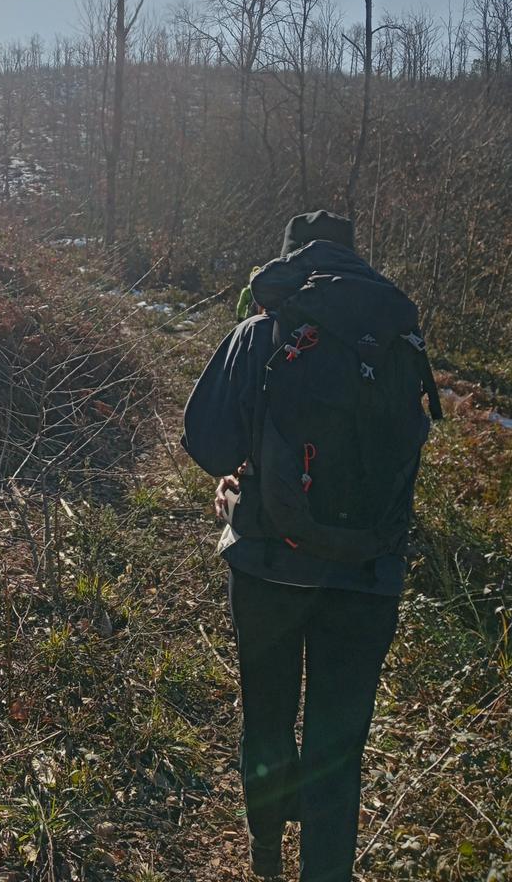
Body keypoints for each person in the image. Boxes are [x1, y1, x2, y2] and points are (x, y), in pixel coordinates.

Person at [181, 210, 441, 882]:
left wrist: (239, 481)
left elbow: (205, 440)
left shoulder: (260, 332)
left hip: (268, 568)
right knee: (337, 747)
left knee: (267, 720)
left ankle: (267, 857)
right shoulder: (394, 340)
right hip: (368, 577)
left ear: (291, 262)